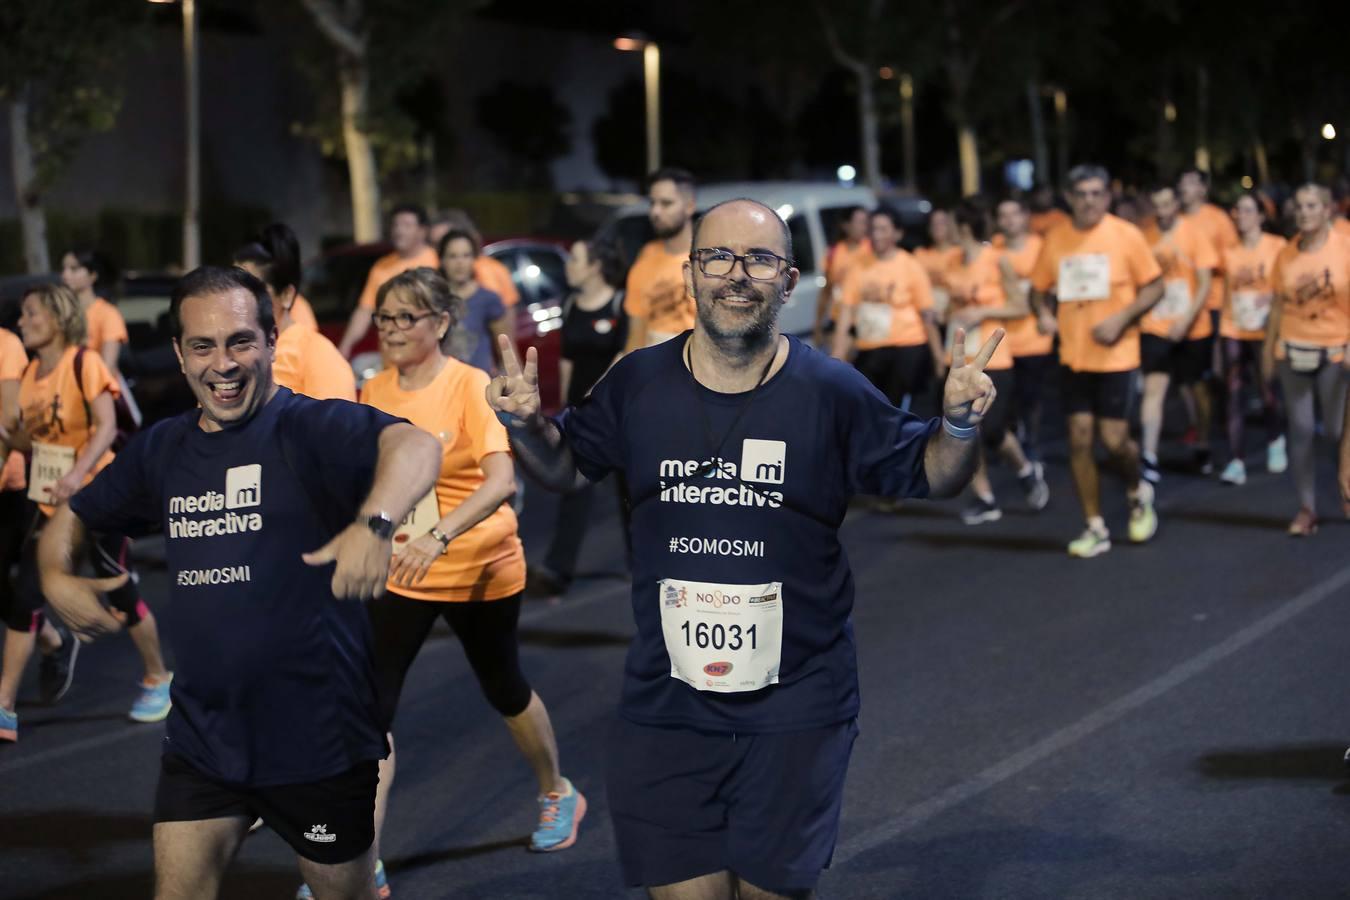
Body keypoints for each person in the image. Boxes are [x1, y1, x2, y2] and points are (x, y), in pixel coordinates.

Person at [488, 197, 999, 899]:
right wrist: (527, 427)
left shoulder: (831, 391)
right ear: (692, 275)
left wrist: (961, 426)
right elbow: (566, 465)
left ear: (788, 282)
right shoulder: (637, 382)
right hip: (666, 705)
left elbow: (933, 473)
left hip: (796, 708)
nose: (736, 275)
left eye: (759, 259)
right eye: (717, 258)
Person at [39, 265, 440, 900]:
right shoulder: (163, 449)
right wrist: (54, 575)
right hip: (204, 740)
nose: (222, 364)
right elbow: (75, 513)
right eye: (202, 345)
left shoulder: (307, 428)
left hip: (319, 743)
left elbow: (416, 447)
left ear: (272, 341)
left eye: (240, 342)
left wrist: (375, 522)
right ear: (179, 353)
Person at [356, 269, 583, 881]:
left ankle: (557, 790)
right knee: (370, 710)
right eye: (384, 317)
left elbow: (502, 482)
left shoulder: (470, 385)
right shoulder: (372, 392)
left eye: (407, 317)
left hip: (478, 562)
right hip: (404, 569)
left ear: (440, 323)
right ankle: (358, 862)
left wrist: (438, 535)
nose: (393, 329)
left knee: (504, 687)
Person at [0, 285, 172, 741]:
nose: (22, 322)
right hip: (51, 503)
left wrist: (78, 475)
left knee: (119, 590)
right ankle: (4, 706)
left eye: (30, 313)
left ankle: (158, 676)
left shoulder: (85, 362)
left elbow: (107, 426)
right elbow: (31, 441)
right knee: (25, 597)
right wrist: (11, 436)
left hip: (100, 497)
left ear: (55, 318)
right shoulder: (33, 373)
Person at [1030, 164, 1164, 558]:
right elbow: (1038, 290)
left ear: (1107, 197)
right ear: (1069, 198)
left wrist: (1122, 319)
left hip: (1117, 353)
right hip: (1074, 355)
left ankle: (1138, 490)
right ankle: (1094, 526)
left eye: (1096, 194)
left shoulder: (1126, 235)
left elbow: (1156, 286)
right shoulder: (1056, 239)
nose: (1089, 201)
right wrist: (1042, 312)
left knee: (1114, 440)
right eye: (1081, 194)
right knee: (1079, 438)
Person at [528, 239, 630, 597]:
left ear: (595, 266)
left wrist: (598, 393)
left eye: (576, 259)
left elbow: (626, 354)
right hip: (583, 416)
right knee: (575, 490)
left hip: (618, 412)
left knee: (630, 492)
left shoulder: (621, 303)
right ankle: (558, 570)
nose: (569, 265)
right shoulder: (571, 305)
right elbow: (567, 360)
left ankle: (645, 564)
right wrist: (565, 405)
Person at [946, 199, 1049, 523]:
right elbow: (953, 309)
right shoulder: (952, 263)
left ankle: (1025, 469)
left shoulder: (996, 260)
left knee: (991, 429)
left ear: (963, 227)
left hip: (995, 357)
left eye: (951, 223)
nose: (945, 229)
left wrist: (984, 311)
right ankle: (985, 498)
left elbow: (1020, 306)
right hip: (963, 358)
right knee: (964, 430)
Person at [1264, 184, 1350, 535]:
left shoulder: (1344, 247)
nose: (1304, 212)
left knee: (1335, 430)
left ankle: (1346, 487)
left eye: (1312, 205)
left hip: (1334, 349)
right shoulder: (1286, 254)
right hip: (1294, 347)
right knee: (1299, 429)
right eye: (1299, 206)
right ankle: (1306, 508)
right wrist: (1269, 351)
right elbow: (1277, 305)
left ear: (1327, 209)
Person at [1138, 184, 1220, 482]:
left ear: (1176, 204)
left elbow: (1205, 281)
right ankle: (1149, 455)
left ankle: (1203, 443)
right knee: (1154, 388)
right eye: (1157, 205)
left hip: (1193, 325)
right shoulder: (1144, 236)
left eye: (1168, 204)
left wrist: (1187, 319)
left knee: (1196, 389)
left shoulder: (1194, 234)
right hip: (1155, 324)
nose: (1163, 211)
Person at [833, 208, 945, 417]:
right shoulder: (858, 267)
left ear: (897, 234)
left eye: (883, 229)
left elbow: (927, 313)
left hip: (906, 347)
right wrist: (838, 353)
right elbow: (847, 312)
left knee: (894, 407)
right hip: (869, 348)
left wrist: (938, 355)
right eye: (873, 229)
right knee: (867, 404)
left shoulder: (910, 265)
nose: (877, 235)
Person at [234, 223, 355, 401]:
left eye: (255, 291)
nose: (239, 301)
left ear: (286, 295)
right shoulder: (225, 354)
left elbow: (338, 426)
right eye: (233, 288)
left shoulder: (317, 356)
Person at [1219, 193, 1287, 485]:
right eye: (1238, 211)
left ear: (1261, 216)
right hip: (1235, 327)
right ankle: (1236, 460)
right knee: (1234, 391)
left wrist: (1270, 300)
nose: (1241, 216)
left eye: (1248, 211)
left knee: (1268, 387)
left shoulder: (1277, 247)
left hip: (1265, 329)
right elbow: (1226, 294)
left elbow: (1287, 287)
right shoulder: (1229, 252)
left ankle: (1275, 439)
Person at [338, 205, 441, 358]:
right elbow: (365, 310)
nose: (399, 231)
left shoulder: (438, 261)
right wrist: (345, 347)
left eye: (406, 225)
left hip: (430, 353)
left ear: (422, 230)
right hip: (392, 354)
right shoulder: (381, 267)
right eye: (395, 225)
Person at [995, 196, 1053, 463]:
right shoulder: (992, 250)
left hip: (1033, 335)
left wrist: (1049, 315)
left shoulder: (1041, 247)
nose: (1009, 220)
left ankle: (1031, 440)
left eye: (1014, 214)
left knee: (1031, 395)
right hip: (1000, 337)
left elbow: (1054, 286)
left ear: (1025, 216)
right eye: (1003, 215)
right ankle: (1010, 435)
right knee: (1005, 397)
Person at [625, 168, 698, 351]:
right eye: (653, 203)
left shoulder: (707, 259)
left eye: (666, 203)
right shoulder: (646, 257)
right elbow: (637, 333)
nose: (655, 212)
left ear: (689, 206)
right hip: (654, 363)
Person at [438, 229, 509, 374]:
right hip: (442, 385)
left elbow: (507, 352)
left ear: (474, 259)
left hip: (479, 386)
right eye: (452, 256)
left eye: (466, 255)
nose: (460, 262)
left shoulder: (488, 299)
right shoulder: (433, 299)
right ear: (442, 260)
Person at [430, 209, 520, 309]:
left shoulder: (491, 271)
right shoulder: (433, 268)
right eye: (434, 244)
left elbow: (506, 315)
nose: (438, 249)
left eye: (444, 241)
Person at [813, 206, 873, 348]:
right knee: (838, 361)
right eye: (860, 222)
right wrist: (818, 325)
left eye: (866, 222)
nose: (864, 227)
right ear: (846, 225)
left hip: (866, 319)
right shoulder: (834, 253)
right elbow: (827, 291)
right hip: (839, 318)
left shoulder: (872, 249)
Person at [914, 208, 962, 324]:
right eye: (934, 223)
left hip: (953, 311)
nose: (938, 227)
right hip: (927, 312)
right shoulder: (920, 254)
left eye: (942, 223)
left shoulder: (959, 253)